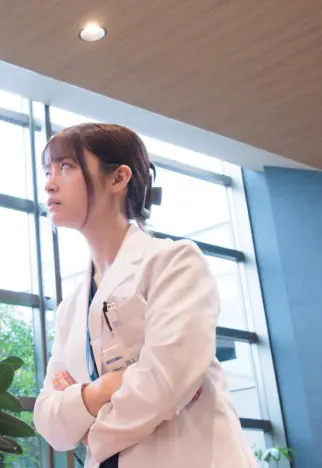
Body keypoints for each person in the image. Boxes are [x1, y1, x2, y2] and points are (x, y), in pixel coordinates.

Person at [33, 123, 257, 468]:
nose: (50, 183)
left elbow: (162, 386)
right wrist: (105, 388)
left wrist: (89, 429)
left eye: (66, 167)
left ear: (118, 178)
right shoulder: (70, 308)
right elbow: (49, 421)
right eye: (48, 171)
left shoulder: (175, 263)